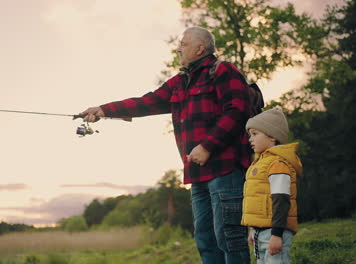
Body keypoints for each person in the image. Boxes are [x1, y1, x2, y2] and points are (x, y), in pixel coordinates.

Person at [81, 27, 252, 264]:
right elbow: (145, 103)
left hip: (225, 172)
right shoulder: (179, 82)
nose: (178, 47)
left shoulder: (223, 71)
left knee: (229, 239)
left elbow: (237, 111)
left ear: (200, 48)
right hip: (197, 175)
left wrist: (207, 146)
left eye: (183, 43)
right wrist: (103, 110)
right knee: (205, 240)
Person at [241, 108, 302, 263]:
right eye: (250, 135)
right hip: (260, 233)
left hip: (274, 233)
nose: (250, 139)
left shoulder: (278, 164)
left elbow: (281, 200)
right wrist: (253, 229)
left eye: (255, 134)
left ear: (272, 137)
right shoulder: (260, 163)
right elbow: (258, 200)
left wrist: (277, 234)